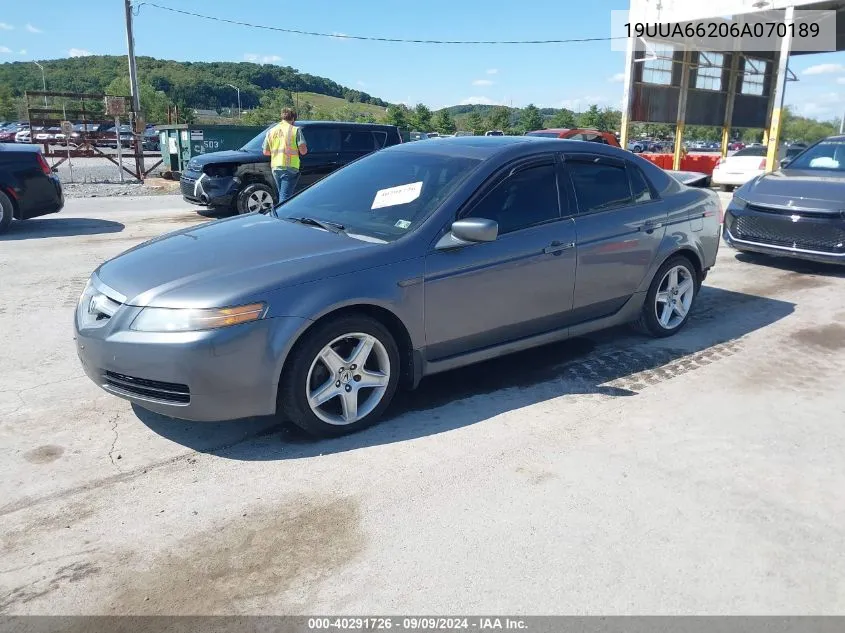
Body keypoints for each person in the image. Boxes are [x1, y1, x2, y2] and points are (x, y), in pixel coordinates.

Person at [262, 107, 308, 203]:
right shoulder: (295, 130)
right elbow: (303, 151)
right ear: (293, 119)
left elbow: (265, 152)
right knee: (285, 199)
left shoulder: (271, 131)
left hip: (275, 167)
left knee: (282, 195)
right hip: (290, 167)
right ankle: (280, 216)